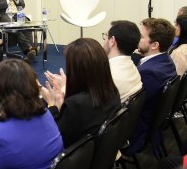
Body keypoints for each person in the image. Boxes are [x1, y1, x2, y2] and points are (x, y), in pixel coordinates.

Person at [40, 38, 121, 148]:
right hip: (103, 153)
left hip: (76, 161)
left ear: (78, 71)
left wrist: (52, 105)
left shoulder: (75, 105)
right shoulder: (112, 91)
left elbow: (57, 138)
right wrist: (66, 87)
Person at [123, 18, 176, 155]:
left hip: (136, 132)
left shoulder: (148, 72)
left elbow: (129, 105)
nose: (137, 39)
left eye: (141, 37)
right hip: (152, 123)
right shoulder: (167, 61)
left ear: (154, 45)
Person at [102, 20, 143, 102]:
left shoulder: (107, 76)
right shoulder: (133, 68)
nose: (104, 40)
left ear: (112, 41)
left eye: (106, 36)